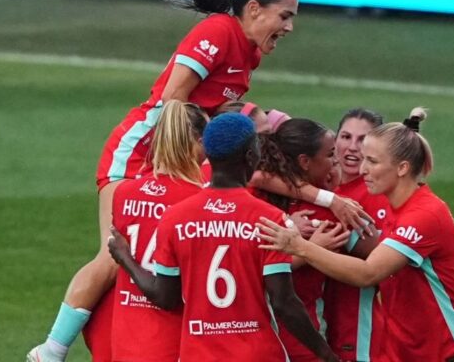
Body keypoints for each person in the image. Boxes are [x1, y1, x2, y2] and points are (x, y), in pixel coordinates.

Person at [27, 0, 301, 360]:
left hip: (175, 154)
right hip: (142, 147)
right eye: (284, 16)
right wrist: (185, 159)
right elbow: (173, 99)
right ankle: (51, 349)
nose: (289, 27)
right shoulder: (218, 31)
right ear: (253, 9)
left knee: (159, 253)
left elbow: (211, 109)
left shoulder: (249, 54)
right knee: (112, 254)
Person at [108, 113, 339, 362]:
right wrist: (326, 354)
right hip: (257, 355)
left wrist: (125, 258)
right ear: (251, 156)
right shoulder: (269, 219)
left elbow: (165, 297)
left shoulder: (175, 218)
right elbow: (284, 303)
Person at [257, 115, 454, 362]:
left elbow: (368, 273)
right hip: (407, 352)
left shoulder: (425, 215)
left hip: (448, 353)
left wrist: (300, 246)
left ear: (402, 168)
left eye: (372, 161)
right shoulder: (395, 209)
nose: (362, 170)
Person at [110, 100, 208, 361]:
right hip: (172, 341)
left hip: (126, 338)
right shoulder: (196, 201)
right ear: (197, 143)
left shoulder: (123, 194)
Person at [255, 118, 351, 361]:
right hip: (303, 343)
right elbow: (369, 265)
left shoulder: (253, 199)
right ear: (304, 162)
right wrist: (310, 249)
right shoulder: (327, 214)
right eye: (330, 154)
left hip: (255, 340)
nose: (336, 161)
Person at [323, 108, 390, 362]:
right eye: (346, 137)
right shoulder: (321, 187)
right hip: (313, 320)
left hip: (353, 326)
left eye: (363, 140)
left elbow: (381, 262)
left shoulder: (377, 194)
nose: (352, 147)